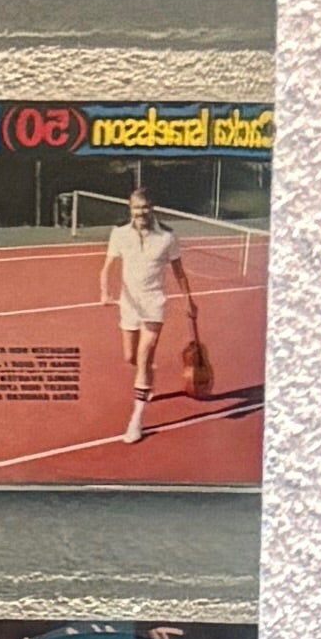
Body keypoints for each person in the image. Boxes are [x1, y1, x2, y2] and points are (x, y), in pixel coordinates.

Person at [100, 180, 201, 448]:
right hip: (128, 304)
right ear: (129, 208)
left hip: (154, 303)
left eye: (145, 207)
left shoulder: (167, 237)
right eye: (136, 208)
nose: (140, 212)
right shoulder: (119, 234)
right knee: (130, 357)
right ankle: (147, 372)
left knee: (144, 356)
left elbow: (179, 272)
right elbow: (107, 267)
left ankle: (136, 420)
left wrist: (189, 300)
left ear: (152, 208)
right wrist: (104, 291)